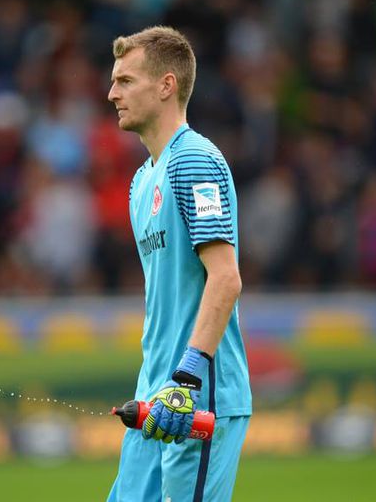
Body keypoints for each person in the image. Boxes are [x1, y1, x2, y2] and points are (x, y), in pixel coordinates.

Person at [106, 26, 252, 501]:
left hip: (194, 397)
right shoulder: (140, 181)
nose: (112, 93)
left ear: (166, 85)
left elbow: (225, 279)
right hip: (156, 397)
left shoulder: (194, 161)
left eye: (126, 81)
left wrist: (185, 379)